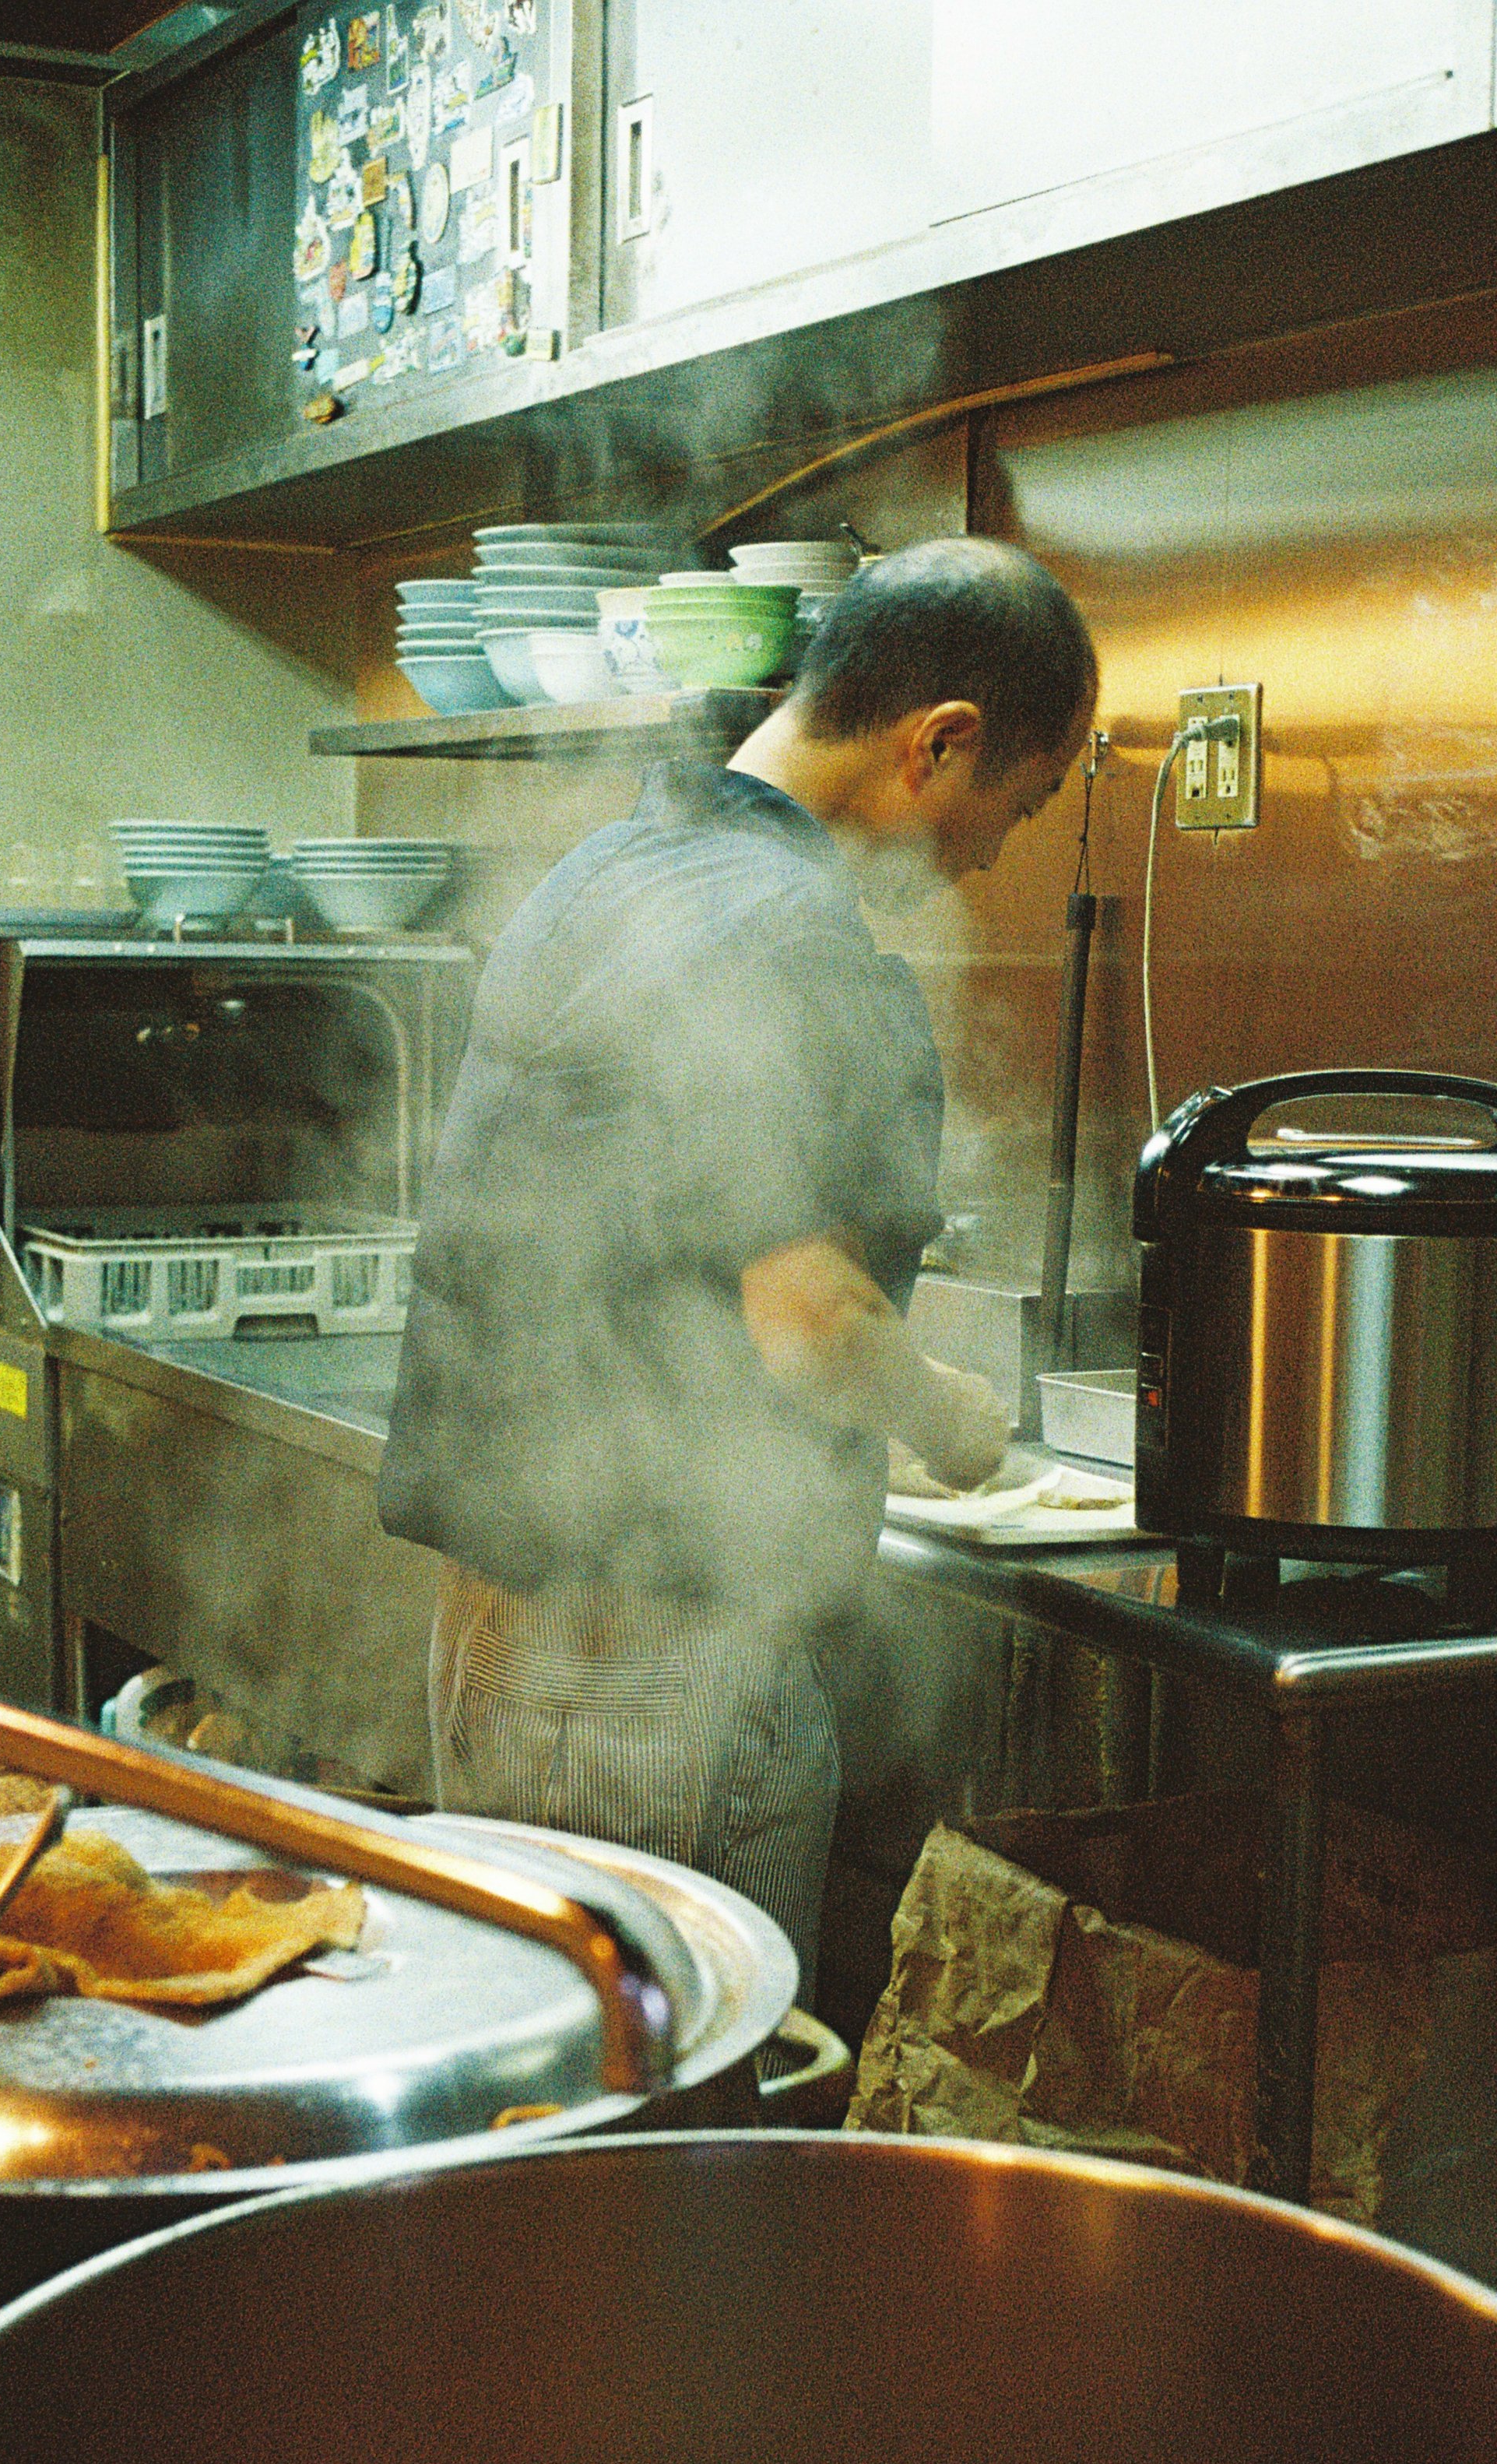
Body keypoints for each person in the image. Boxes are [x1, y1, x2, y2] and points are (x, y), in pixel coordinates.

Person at [378, 536, 1099, 1995]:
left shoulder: (611, 869)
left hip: (489, 1628)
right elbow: (813, 1321)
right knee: (696, 2116)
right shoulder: (796, 940)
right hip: (660, 1659)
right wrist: (957, 1419)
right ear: (935, 744)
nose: (988, 855)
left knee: (544, 2092)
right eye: (1009, 808)